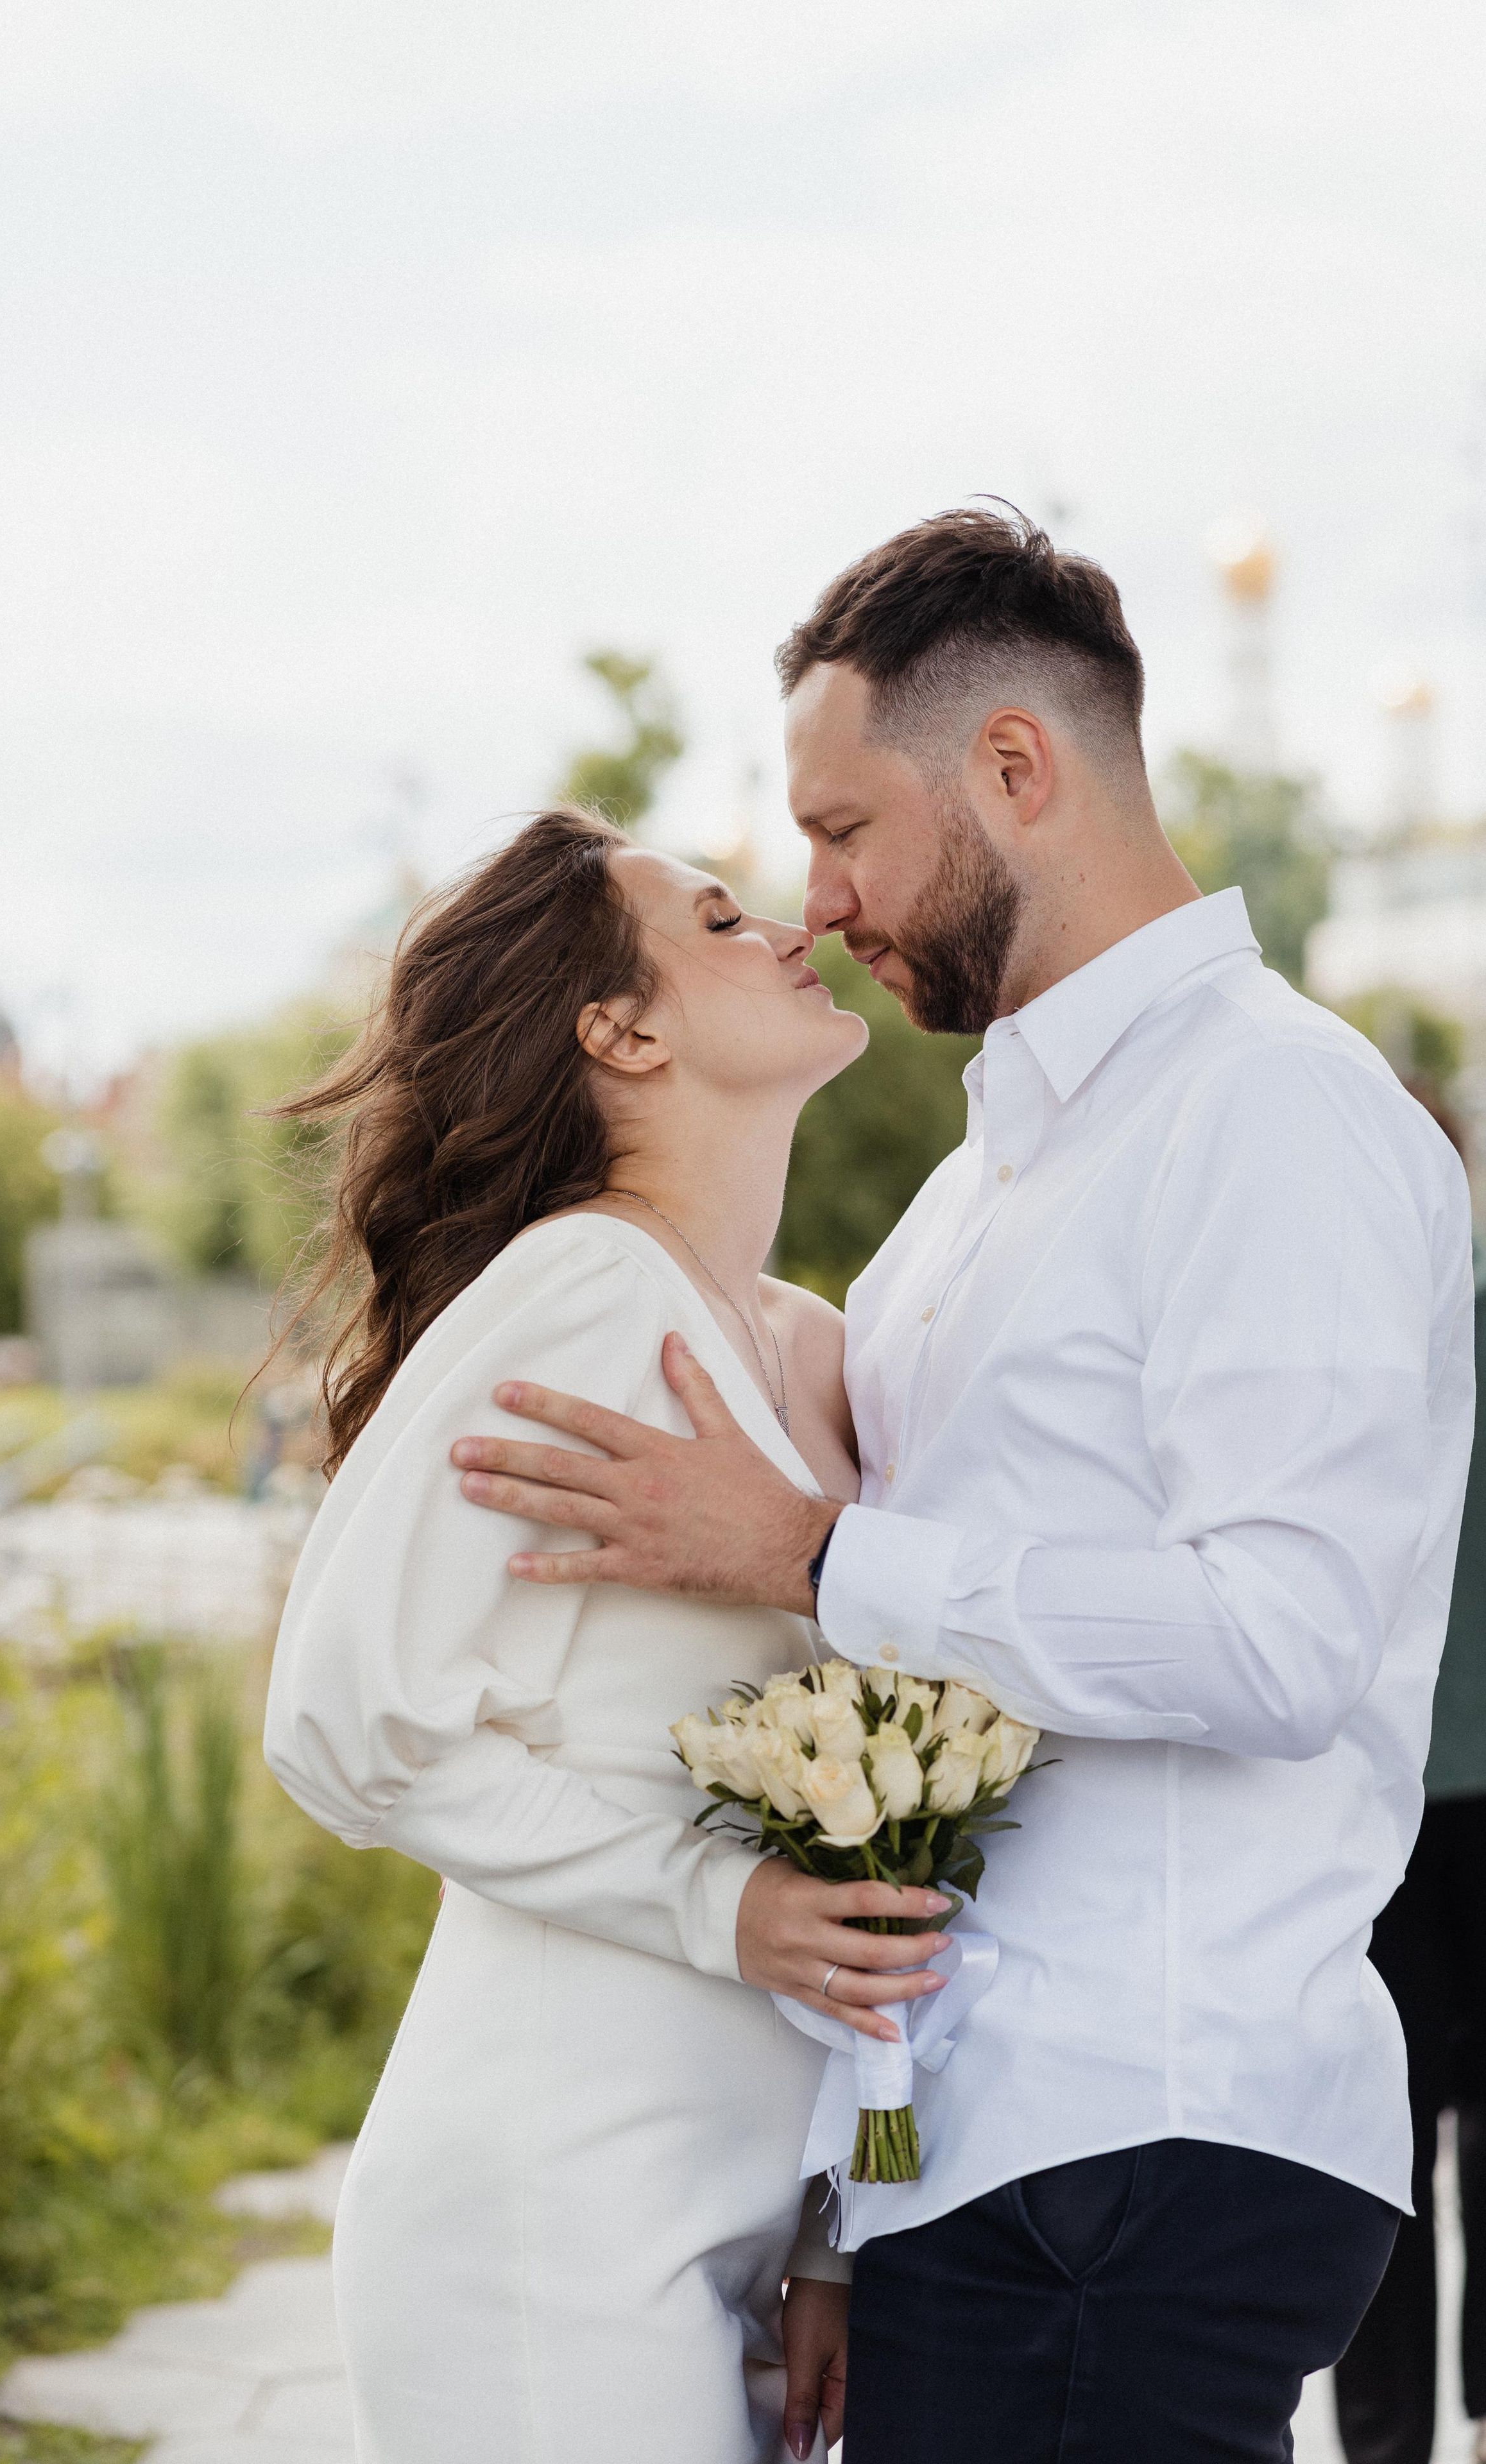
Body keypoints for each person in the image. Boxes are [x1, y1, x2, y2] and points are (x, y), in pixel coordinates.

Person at [451, 507, 1478, 2461]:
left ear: (1016, 769)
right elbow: (911, 1762)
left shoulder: (1275, 1111)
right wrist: (858, 2195)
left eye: (844, 829)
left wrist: (816, 1552)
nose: (820, 899)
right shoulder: (959, 1207)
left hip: (1148, 2137)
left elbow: (1282, 1643)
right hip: (983, 2159)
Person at [262, 806, 954, 2464]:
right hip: (540, 2222)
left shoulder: (804, 1347)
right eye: (719, 920)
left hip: (718, 2230)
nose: (787, 926)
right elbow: (343, 1716)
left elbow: (870, 1836)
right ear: (620, 1031)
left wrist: (829, 2235)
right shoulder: (584, 1289)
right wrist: (723, 1909)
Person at [1336, 1091, 1486, 2464]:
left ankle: (1385, 2443)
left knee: (1380, 2144)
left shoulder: (1329, 1342)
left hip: (1374, 1802)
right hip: (1395, 1801)